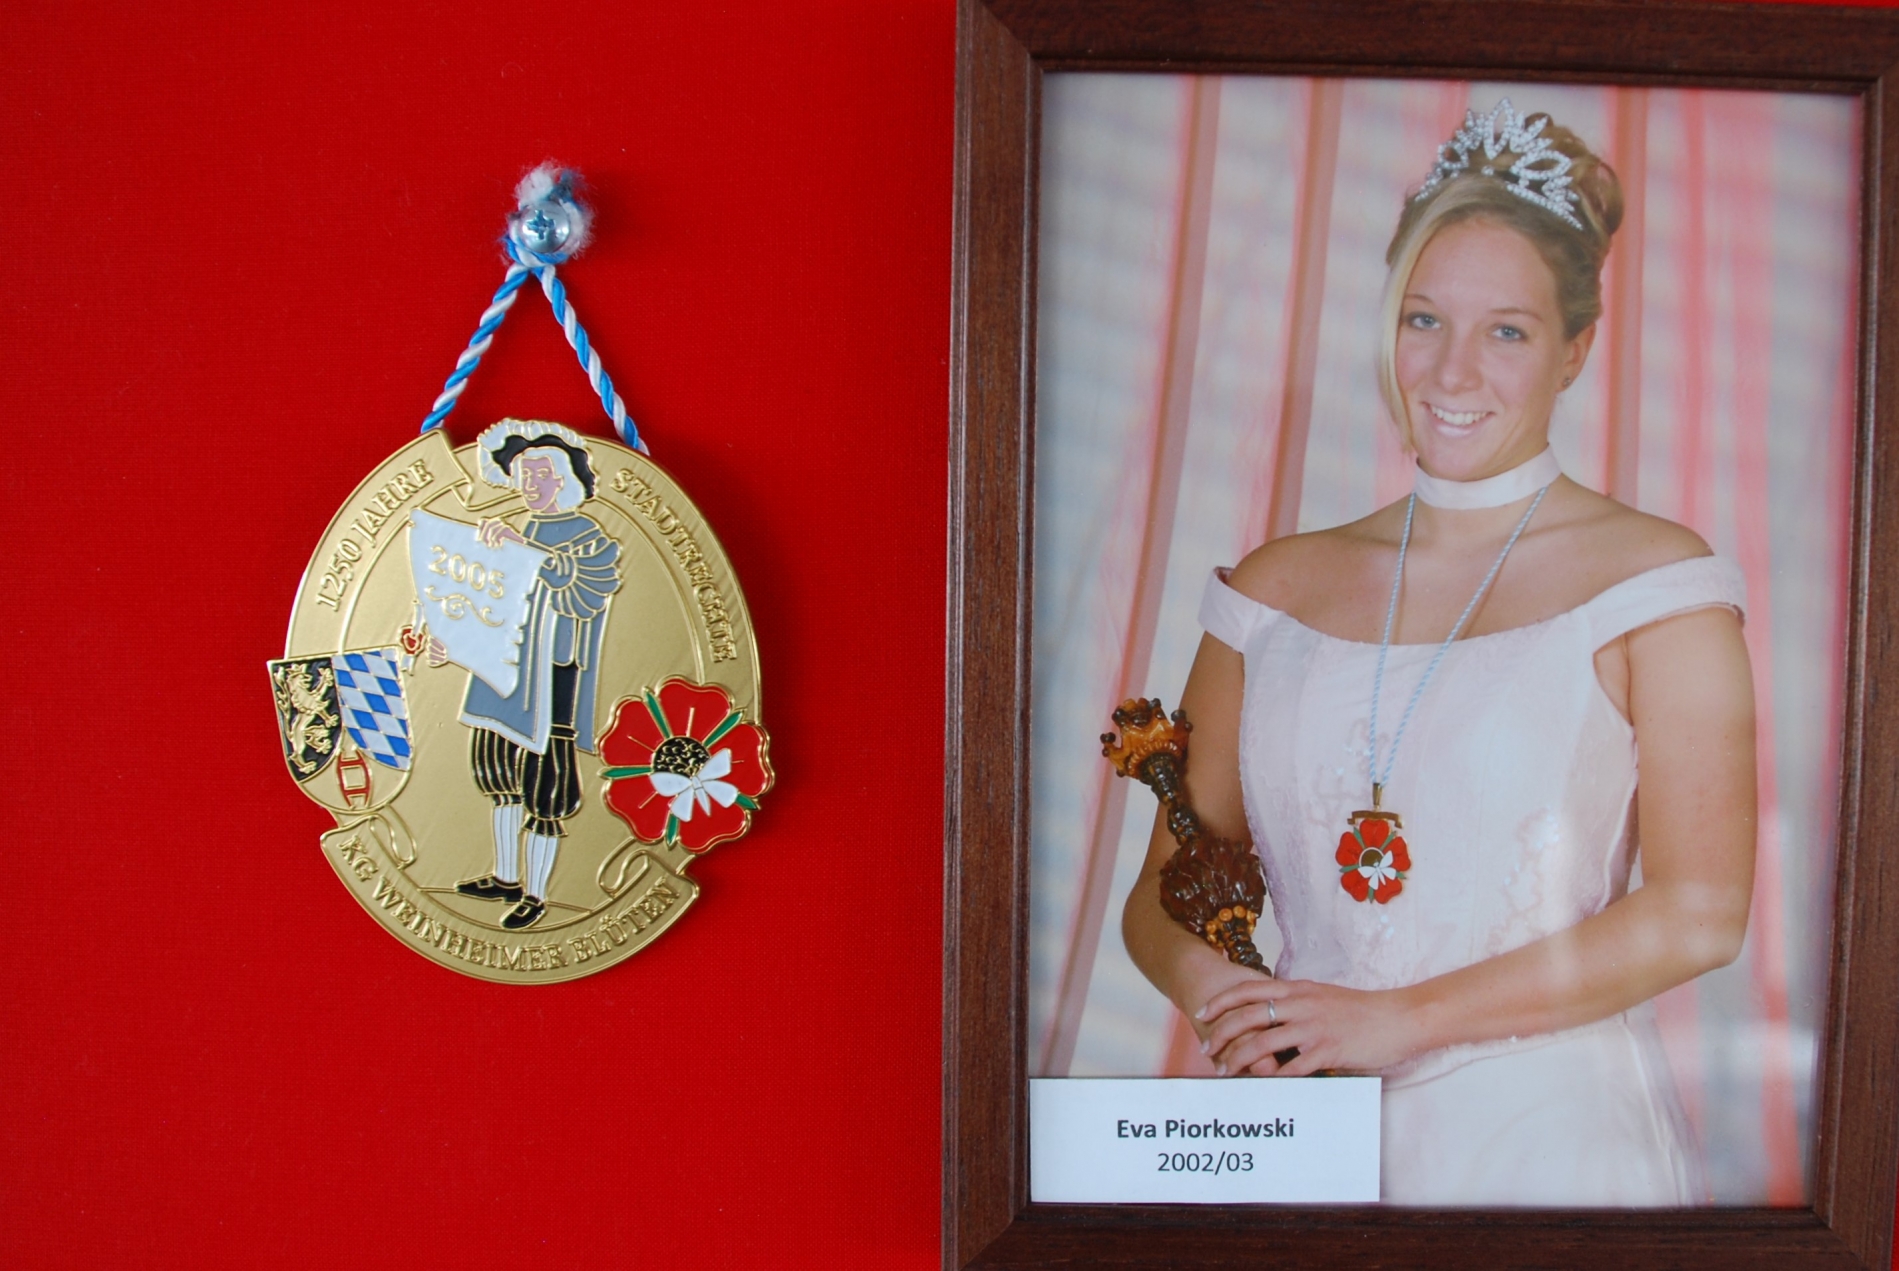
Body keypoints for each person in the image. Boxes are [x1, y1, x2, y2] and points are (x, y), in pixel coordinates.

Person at [1121, 101, 1757, 1207]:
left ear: (1575, 350)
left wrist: (1394, 1020)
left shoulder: (1658, 583)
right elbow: (1161, 894)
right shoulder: (1270, 593)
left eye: (1507, 331)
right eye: (1424, 319)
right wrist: (1237, 1005)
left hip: (1549, 1144)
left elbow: (1700, 909)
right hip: (1306, 1137)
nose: (1453, 372)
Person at [431, 420, 624, 931]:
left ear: (561, 478)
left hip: (551, 676)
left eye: (540, 473)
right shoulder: (508, 530)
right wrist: (451, 644)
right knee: (498, 773)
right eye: (523, 475)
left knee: (545, 787)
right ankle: (506, 876)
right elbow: (482, 602)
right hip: (502, 674)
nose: (529, 484)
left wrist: (522, 548)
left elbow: (582, 587)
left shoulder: (587, 534)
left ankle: (537, 894)